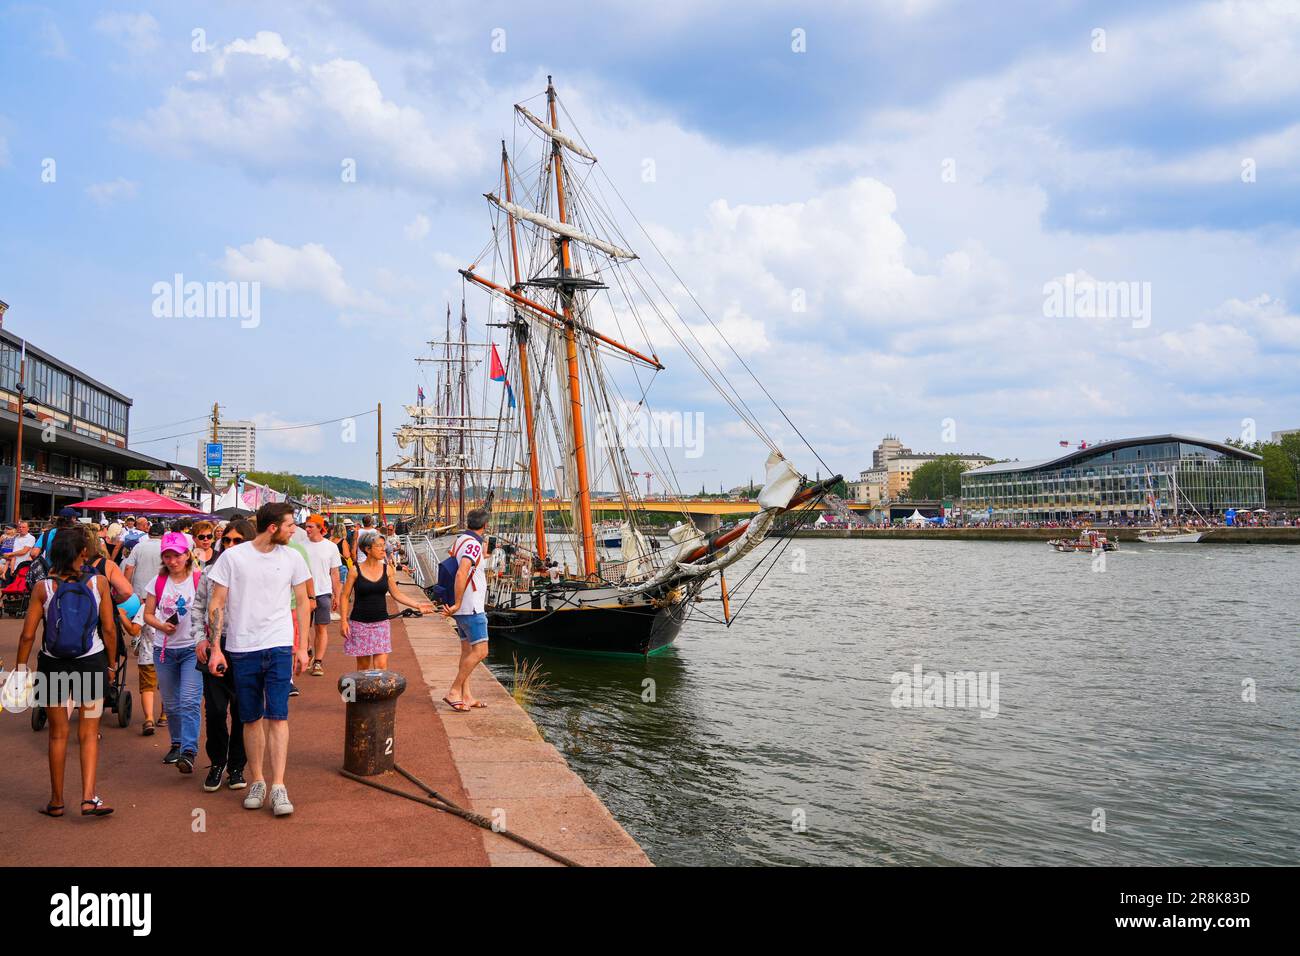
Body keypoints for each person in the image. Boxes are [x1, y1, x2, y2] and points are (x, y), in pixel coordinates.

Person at [206, 503, 311, 817]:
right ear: (273, 526)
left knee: (278, 716)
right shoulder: (233, 557)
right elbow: (217, 602)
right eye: (290, 525)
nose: (294, 531)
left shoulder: (292, 557)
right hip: (242, 646)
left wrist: (302, 647)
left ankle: (278, 785)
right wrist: (215, 648)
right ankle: (258, 781)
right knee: (250, 718)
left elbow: (305, 602)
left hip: (279, 644)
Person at [13, 523, 118, 817]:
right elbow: (108, 629)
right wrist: (111, 664)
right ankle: (88, 797)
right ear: (84, 552)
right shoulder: (98, 584)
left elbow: (27, 635)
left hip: (52, 663)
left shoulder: (43, 587)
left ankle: (57, 800)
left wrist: (21, 669)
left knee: (57, 734)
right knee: (89, 730)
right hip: (91, 662)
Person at [193, 519, 254, 792]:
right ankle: (217, 762)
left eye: (237, 541)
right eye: (226, 540)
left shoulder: (256, 574)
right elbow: (198, 609)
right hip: (214, 646)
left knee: (243, 711)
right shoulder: (209, 572)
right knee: (216, 710)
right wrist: (200, 639)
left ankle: (237, 766)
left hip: (246, 648)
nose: (230, 545)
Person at [143, 532, 203, 774]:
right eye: (167, 556)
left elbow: (212, 609)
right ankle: (177, 742)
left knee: (189, 700)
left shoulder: (199, 580)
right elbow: (148, 613)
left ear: (187, 555)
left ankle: (189, 750)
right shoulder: (157, 582)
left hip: (192, 648)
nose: (172, 560)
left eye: (176, 555)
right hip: (164, 649)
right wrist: (160, 625)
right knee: (171, 703)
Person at [340, 530, 433, 672]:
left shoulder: (387, 570)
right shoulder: (355, 571)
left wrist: (418, 605)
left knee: (381, 667)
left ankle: (379, 695)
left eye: (384, 545)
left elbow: (397, 594)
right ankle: (364, 695)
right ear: (367, 549)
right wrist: (344, 622)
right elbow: (345, 596)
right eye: (379, 546)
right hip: (360, 623)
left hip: (381, 623)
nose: (384, 549)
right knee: (363, 668)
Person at [440, 509, 490, 712]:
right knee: (481, 651)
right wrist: (459, 602)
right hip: (471, 607)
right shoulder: (473, 544)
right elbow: (461, 573)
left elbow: (463, 564)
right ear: (485, 526)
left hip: (464, 608)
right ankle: (454, 690)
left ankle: (467, 696)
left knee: (467, 651)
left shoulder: (461, 540)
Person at [302, 515, 341, 676]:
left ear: (320, 527)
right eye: (306, 526)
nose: (307, 529)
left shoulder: (331, 547)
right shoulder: (300, 547)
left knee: (321, 627)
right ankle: (309, 649)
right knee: (304, 628)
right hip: (303, 594)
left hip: (323, 592)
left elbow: (334, 572)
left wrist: (336, 595)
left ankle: (318, 661)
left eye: (310, 526)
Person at [122, 521, 165, 600]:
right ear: (163, 535)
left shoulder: (138, 546)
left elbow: (128, 568)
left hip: (140, 591)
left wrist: (126, 589)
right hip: (160, 590)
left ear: (148, 534)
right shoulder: (165, 548)